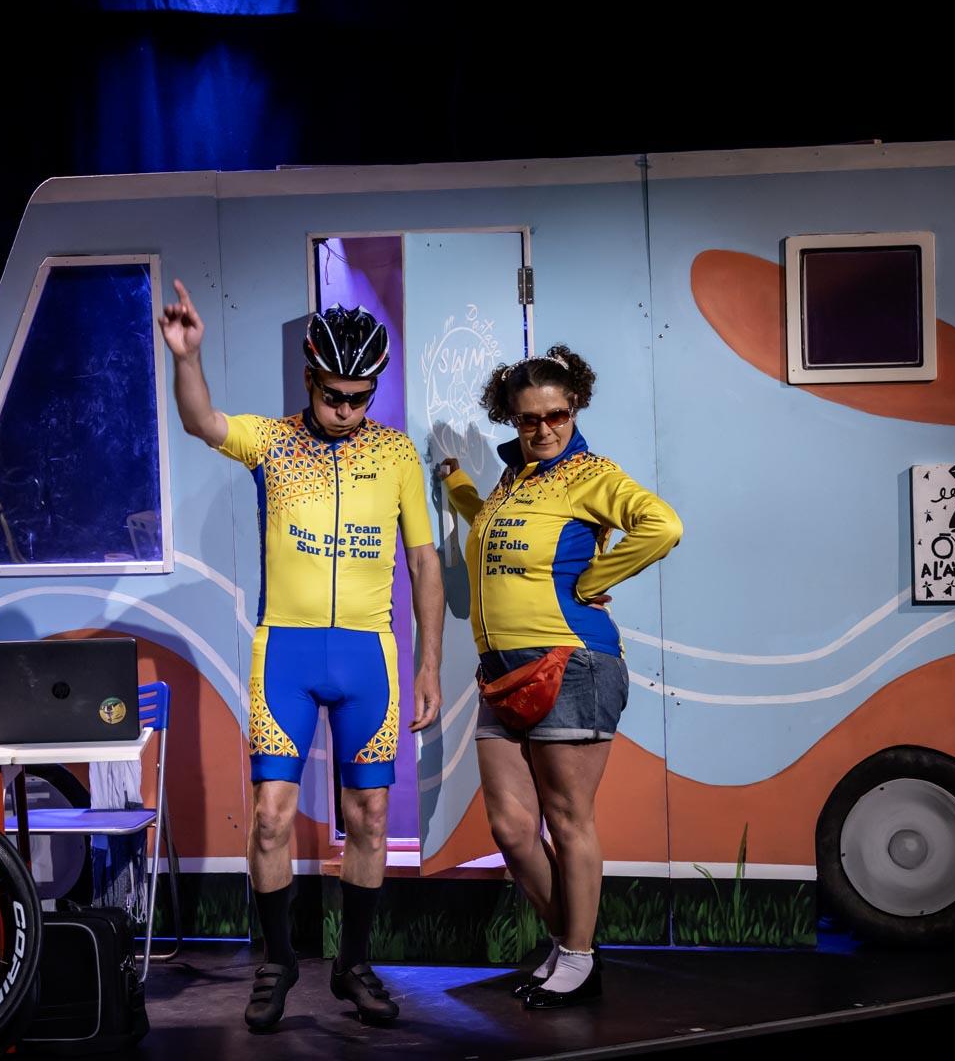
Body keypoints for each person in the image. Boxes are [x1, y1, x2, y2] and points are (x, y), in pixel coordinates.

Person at [161, 281, 444, 1030]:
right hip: (284, 651)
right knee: (269, 817)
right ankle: (278, 961)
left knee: (371, 816)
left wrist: (428, 666)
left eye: (360, 397)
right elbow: (201, 421)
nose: (346, 410)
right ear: (310, 380)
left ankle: (354, 964)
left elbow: (423, 562)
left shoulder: (396, 452)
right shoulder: (273, 441)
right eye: (333, 396)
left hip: (368, 656)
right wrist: (187, 359)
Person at [437, 345, 682, 1008]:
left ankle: (575, 956)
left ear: (575, 408)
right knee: (513, 830)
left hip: (570, 663)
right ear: (511, 418)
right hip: (500, 671)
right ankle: (573, 947)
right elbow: (493, 531)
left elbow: (663, 526)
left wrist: (594, 579)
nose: (544, 429)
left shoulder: (589, 475)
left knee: (568, 821)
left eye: (557, 415)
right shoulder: (513, 481)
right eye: (529, 419)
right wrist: (458, 487)